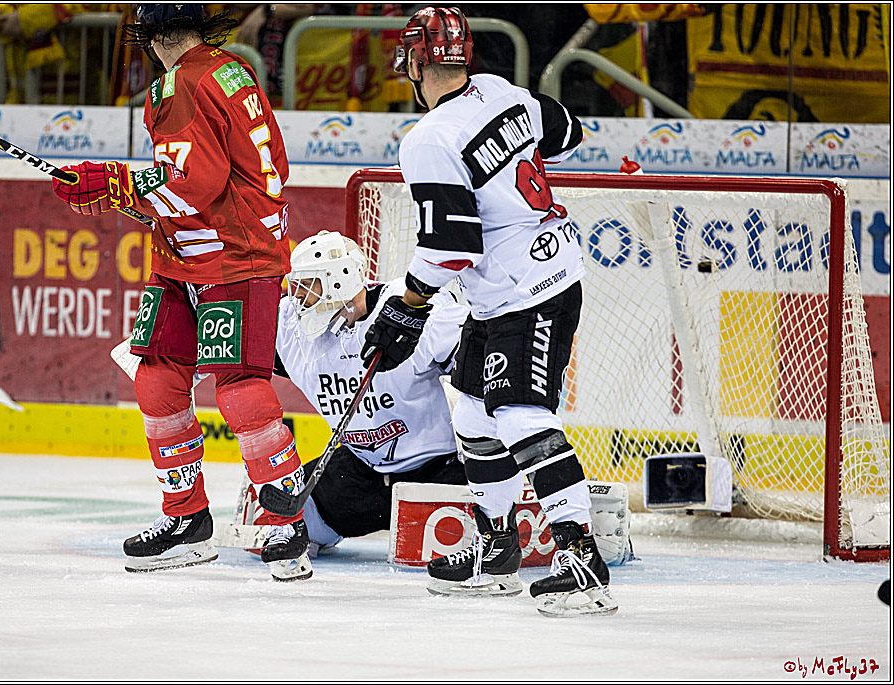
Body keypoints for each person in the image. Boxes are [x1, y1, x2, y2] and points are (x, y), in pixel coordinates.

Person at [360, 6, 618, 616]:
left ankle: (581, 559)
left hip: (530, 290)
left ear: (418, 62)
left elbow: (451, 244)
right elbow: (571, 132)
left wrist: (409, 306)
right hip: (512, 285)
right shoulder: (506, 94)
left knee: (519, 413)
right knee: (474, 415)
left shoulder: (427, 139)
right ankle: (495, 547)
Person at [50, 4, 311, 582]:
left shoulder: (180, 83)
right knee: (158, 378)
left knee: (241, 390)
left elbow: (193, 184)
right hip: (187, 258)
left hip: (233, 259)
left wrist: (114, 184)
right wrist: (117, 187)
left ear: (149, 33)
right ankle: (187, 519)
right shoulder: (228, 67)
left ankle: (285, 526)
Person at [273, 231, 469, 554]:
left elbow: (480, 364)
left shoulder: (410, 312)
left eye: (309, 285)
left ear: (339, 280)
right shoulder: (293, 328)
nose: (299, 297)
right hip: (357, 475)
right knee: (279, 523)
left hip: (435, 475)